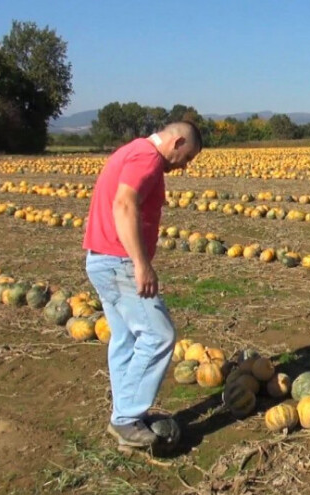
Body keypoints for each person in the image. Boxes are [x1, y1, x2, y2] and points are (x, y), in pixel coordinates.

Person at [83, 122, 202, 447]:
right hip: (119, 261)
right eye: (186, 156)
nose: (184, 165)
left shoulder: (131, 150)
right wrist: (140, 264)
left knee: (124, 338)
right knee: (159, 335)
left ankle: (126, 417)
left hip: (101, 258)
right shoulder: (147, 158)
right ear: (177, 141)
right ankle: (125, 418)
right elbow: (124, 205)